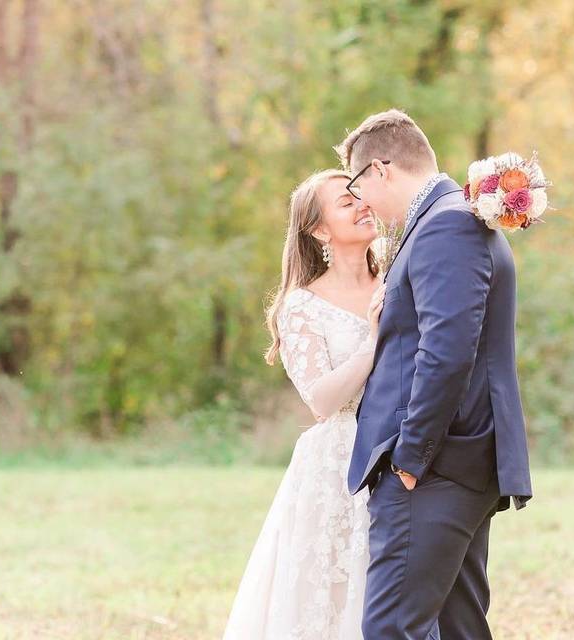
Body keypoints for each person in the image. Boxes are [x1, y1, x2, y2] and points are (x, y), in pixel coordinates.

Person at [338, 109, 534, 640]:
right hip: (459, 463)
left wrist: (410, 457)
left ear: (380, 170)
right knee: (459, 628)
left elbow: (446, 353)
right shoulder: (454, 217)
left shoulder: (446, 224)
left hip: (436, 467)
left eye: (360, 185)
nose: (364, 203)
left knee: (391, 628)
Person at [221, 168, 386, 639]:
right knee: (332, 595)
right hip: (339, 462)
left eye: (361, 195)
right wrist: (375, 339)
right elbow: (322, 399)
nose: (361, 204)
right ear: (318, 230)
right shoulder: (301, 305)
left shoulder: (399, 276)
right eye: (344, 202)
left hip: (399, 447)